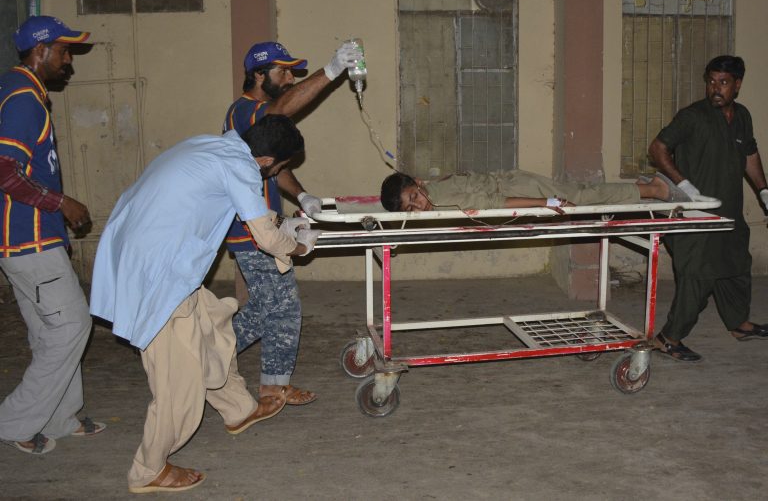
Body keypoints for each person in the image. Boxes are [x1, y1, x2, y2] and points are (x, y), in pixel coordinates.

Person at [89, 114, 321, 493]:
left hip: (152, 257)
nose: (277, 173)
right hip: (158, 274)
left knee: (211, 328)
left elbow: (245, 212)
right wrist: (299, 246)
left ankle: (239, 410)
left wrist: (282, 222)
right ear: (267, 162)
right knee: (178, 380)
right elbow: (265, 237)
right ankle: (148, 469)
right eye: (280, 168)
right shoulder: (241, 167)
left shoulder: (213, 145)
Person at [223, 41, 361, 405]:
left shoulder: (257, 119)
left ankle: (257, 377)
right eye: (282, 71)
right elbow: (281, 109)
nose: (288, 78)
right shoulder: (244, 112)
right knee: (276, 308)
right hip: (249, 231)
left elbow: (276, 169)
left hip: (262, 225)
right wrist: (331, 72)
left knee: (274, 307)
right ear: (258, 75)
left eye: (291, 72)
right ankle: (218, 361)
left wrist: (301, 197)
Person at [0, 16, 105, 455]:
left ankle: (61, 417)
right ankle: (14, 422)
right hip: (29, 240)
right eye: (64, 52)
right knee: (71, 327)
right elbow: (5, 171)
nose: (69, 63)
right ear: (40, 51)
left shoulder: (17, 89)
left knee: (49, 331)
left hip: (25, 241)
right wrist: (60, 203)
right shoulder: (24, 98)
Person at [647, 55, 768, 362]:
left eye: (723, 83)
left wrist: (764, 191)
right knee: (698, 276)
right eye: (711, 81)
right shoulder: (693, 117)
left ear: (737, 85)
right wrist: (683, 184)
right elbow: (657, 148)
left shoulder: (742, 116)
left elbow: (750, 154)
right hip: (694, 215)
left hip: (728, 211)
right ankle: (668, 338)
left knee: (737, 265)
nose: (715, 89)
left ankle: (739, 324)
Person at [380, 169, 683, 212]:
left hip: (517, 187)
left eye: (414, 196)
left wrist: (546, 201)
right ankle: (647, 188)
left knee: (582, 195)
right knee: (582, 192)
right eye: (411, 207)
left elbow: (498, 202)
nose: (419, 205)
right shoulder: (434, 194)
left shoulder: (439, 195)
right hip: (508, 182)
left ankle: (653, 189)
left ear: (418, 183)